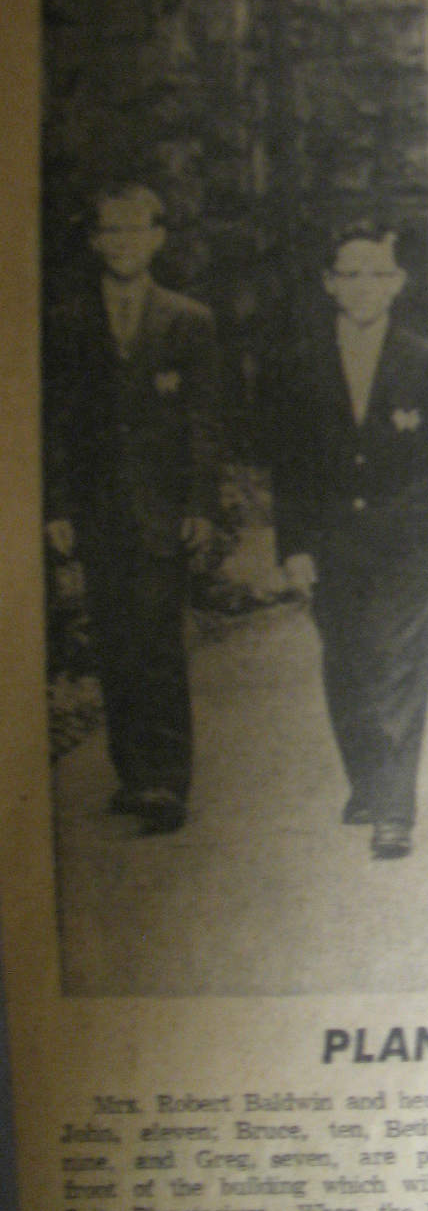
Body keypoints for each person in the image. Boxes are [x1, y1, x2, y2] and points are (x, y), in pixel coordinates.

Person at [271, 218, 428, 860]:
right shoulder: (300, 361)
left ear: (399, 282)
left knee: (401, 669)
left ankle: (394, 809)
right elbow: (290, 464)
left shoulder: (423, 358)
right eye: (347, 273)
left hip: (405, 541)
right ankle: (366, 780)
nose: (361, 286)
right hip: (333, 544)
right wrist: (295, 546)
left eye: (376, 273)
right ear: (328, 283)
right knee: (346, 663)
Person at [44, 184, 220, 835]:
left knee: (157, 640)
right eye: (108, 231)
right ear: (93, 242)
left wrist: (202, 502)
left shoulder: (189, 320)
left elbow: (204, 421)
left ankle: (167, 781)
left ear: (158, 238)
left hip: (161, 509)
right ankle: (132, 773)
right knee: (115, 638)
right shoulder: (67, 321)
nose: (122, 243)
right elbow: (56, 423)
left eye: (135, 230)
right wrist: (57, 507)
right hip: (98, 510)